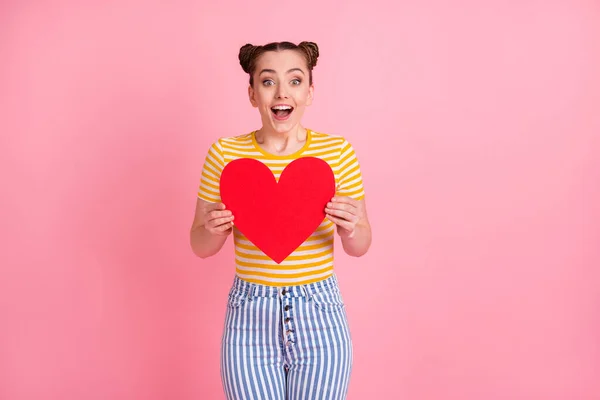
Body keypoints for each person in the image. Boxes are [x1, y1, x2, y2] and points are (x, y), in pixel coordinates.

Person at [189, 41, 372, 400]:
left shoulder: (337, 153)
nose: (282, 92)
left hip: (319, 311)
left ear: (309, 92)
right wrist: (211, 230)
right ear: (252, 94)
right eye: (268, 81)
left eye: (295, 80)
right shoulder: (225, 155)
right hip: (249, 315)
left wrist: (351, 227)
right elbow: (200, 246)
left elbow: (360, 245)